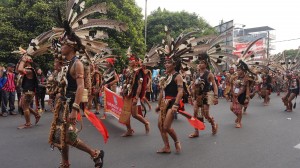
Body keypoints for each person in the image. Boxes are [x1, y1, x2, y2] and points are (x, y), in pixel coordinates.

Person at [48, 26, 104, 168]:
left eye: (64, 44)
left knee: (69, 137)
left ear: (72, 47)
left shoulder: (77, 64)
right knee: (60, 135)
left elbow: (81, 87)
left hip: (71, 104)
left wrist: (75, 108)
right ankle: (65, 162)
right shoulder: (66, 64)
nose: (62, 47)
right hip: (62, 104)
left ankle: (95, 153)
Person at [156, 57, 183, 153]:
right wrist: (159, 105)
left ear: (174, 65)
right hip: (164, 103)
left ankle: (176, 141)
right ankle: (166, 146)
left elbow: (180, 92)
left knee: (166, 126)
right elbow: (162, 92)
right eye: (165, 63)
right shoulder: (166, 77)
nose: (166, 64)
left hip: (172, 102)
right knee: (160, 125)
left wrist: (176, 104)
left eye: (168, 63)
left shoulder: (178, 76)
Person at [189, 55, 219, 138]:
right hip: (197, 96)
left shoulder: (209, 74)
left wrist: (216, 96)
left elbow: (215, 85)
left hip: (207, 95)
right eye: (200, 62)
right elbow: (193, 85)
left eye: (202, 63)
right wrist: (191, 95)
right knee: (195, 113)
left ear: (206, 65)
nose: (200, 64)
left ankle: (213, 124)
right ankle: (196, 131)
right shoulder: (196, 74)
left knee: (206, 114)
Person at [120, 54, 150, 137]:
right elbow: (126, 82)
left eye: (132, 59)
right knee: (125, 113)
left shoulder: (139, 71)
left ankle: (146, 123)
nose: (130, 61)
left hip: (134, 95)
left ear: (136, 61)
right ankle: (129, 130)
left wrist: (136, 97)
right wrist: (123, 90)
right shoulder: (128, 70)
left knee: (134, 115)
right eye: (129, 60)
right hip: (127, 94)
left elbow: (140, 85)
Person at [16, 56, 41, 129]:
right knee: (21, 105)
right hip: (26, 91)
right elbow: (18, 70)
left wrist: (23, 60)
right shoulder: (28, 69)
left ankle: (28, 123)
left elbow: (20, 70)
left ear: (27, 62)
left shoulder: (30, 70)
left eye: (23, 62)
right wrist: (20, 61)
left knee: (25, 107)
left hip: (29, 92)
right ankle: (36, 114)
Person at [230, 60, 251, 128]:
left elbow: (247, 87)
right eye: (237, 70)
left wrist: (247, 97)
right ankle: (238, 117)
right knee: (232, 108)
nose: (237, 71)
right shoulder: (236, 77)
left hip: (242, 95)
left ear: (243, 70)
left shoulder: (246, 78)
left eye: (239, 70)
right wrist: (231, 82)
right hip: (235, 94)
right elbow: (233, 85)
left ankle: (239, 122)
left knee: (239, 109)